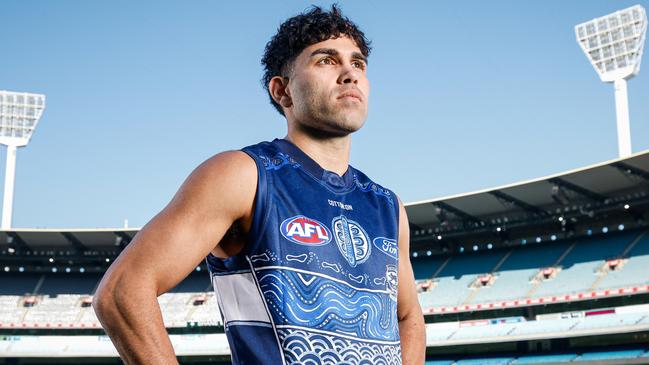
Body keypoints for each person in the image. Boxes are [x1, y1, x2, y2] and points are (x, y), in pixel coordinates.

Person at [93, 4, 425, 365]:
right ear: (283, 91)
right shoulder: (244, 174)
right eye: (326, 61)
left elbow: (408, 317)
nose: (350, 74)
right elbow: (122, 291)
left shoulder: (388, 207)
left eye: (358, 63)